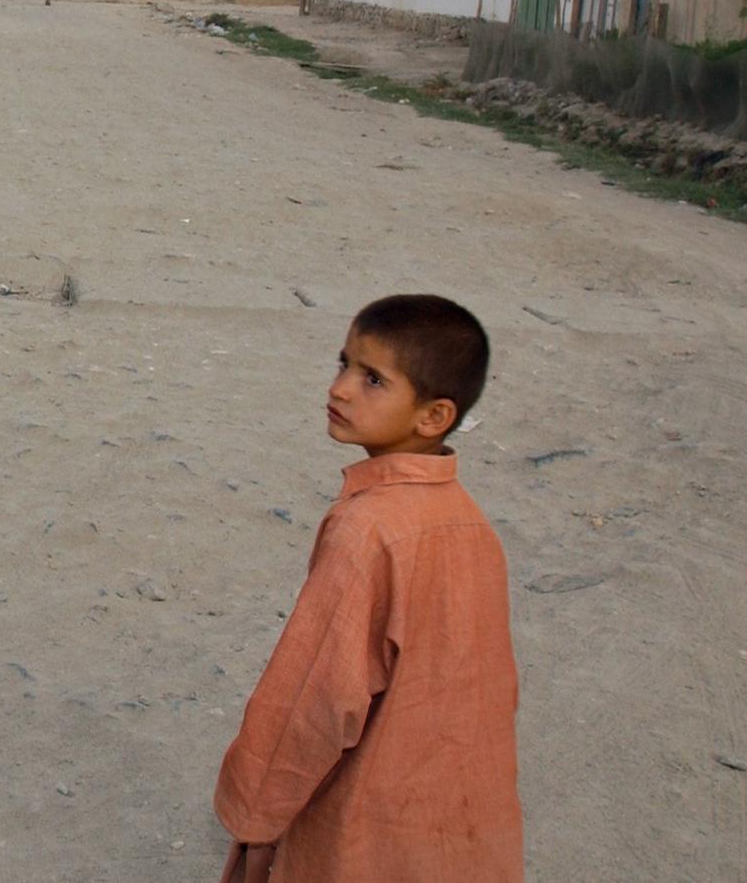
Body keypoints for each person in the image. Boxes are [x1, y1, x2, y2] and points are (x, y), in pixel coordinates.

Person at [215, 295, 519, 883]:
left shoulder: (368, 531)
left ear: (433, 417)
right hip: (457, 823)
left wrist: (255, 817)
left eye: (373, 379)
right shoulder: (469, 522)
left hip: (363, 831)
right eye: (344, 364)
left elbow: (314, 697)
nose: (341, 388)